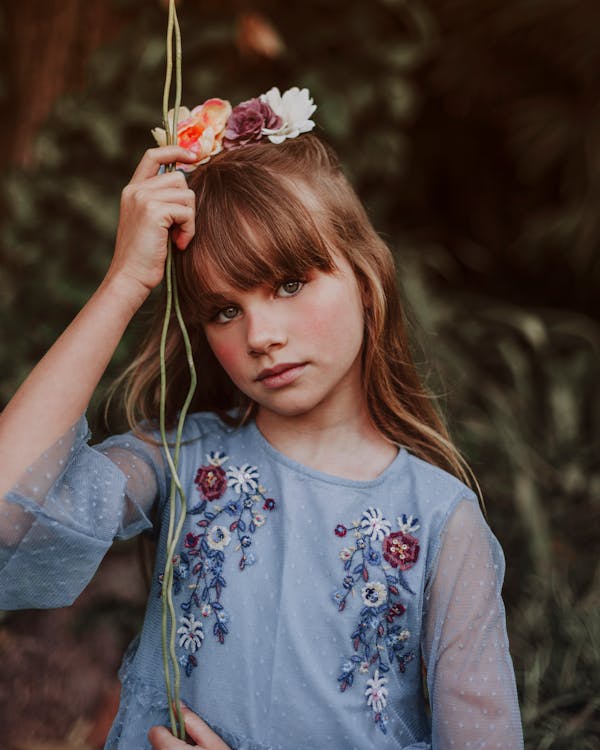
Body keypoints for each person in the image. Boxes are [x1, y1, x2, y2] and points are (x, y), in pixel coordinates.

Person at [0, 87, 524, 750]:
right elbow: (6, 505)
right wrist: (125, 282)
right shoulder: (179, 464)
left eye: (288, 282)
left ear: (366, 279)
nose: (261, 335)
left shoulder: (442, 520)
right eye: (224, 310)